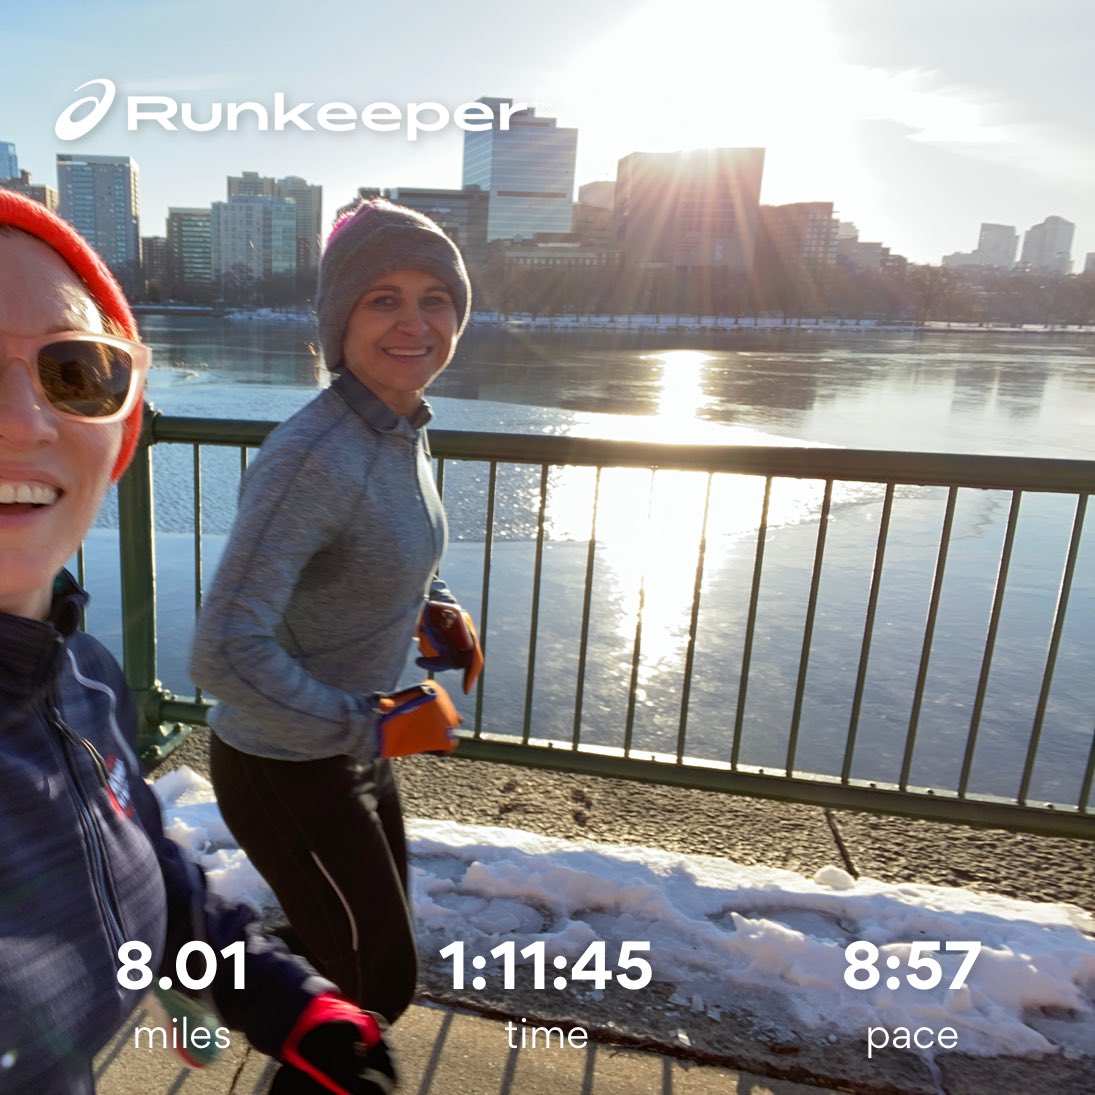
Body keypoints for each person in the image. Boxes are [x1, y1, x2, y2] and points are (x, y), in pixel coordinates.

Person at [0, 190, 396, 1095]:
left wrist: (285, 1001)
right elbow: (231, 643)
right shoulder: (311, 451)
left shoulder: (81, 676)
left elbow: (144, 863)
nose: (24, 420)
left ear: (118, 432)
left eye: (77, 370)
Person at [190, 199, 483, 1026]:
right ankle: (224, 972)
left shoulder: (401, 427)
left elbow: (390, 546)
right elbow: (222, 649)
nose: (414, 322)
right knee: (374, 983)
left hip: (352, 744)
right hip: (282, 763)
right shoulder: (310, 457)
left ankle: (226, 969)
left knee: (356, 950)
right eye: (383, 299)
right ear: (340, 319)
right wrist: (372, 723)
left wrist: (435, 607)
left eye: (434, 299)